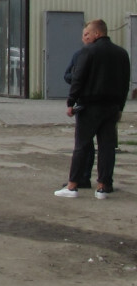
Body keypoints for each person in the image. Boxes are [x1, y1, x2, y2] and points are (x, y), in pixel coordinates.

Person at [54, 19, 130, 199]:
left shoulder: (87, 52)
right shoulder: (121, 54)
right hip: (111, 107)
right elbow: (125, 82)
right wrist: (120, 106)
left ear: (97, 33)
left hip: (90, 106)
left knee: (81, 145)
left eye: (87, 34)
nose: (84, 38)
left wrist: (71, 102)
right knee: (107, 147)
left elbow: (78, 78)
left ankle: (72, 186)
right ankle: (103, 187)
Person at [62, 33, 96, 189]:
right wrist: (76, 76)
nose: (85, 37)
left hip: (96, 103)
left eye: (88, 34)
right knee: (85, 144)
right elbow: (68, 75)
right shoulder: (78, 55)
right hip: (82, 102)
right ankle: (82, 178)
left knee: (92, 144)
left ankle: (93, 179)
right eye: (84, 35)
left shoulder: (102, 55)